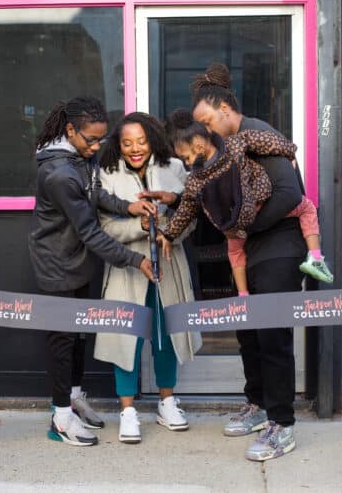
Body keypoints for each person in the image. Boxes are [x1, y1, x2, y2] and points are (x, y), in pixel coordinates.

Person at [187, 62, 313, 461]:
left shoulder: (258, 133)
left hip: (280, 246)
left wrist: (246, 227)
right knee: (249, 331)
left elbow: (290, 193)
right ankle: (258, 406)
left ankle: (283, 425)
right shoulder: (226, 145)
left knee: (273, 337)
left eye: (207, 120)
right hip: (254, 248)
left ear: (225, 109)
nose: (205, 130)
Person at [28, 97, 156, 447]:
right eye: (92, 140)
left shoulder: (80, 159)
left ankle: (73, 396)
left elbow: (96, 194)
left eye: (101, 139)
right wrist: (136, 260)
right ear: (71, 131)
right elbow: (91, 232)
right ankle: (60, 417)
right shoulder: (58, 174)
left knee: (79, 334)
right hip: (56, 266)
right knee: (62, 342)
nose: (97, 146)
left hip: (79, 262)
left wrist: (127, 206)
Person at [93, 112, 202, 444]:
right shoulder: (107, 174)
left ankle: (167, 402)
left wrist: (166, 232)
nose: (135, 149)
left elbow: (192, 217)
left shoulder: (174, 167)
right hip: (127, 267)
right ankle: (127, 410)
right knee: (125, 336)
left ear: (153, 139)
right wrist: (138, 226)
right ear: (118, 145)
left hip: (169, 265)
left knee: (166, 333)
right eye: (127, 143)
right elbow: (104, 227)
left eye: (141, 141)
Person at [157, 109, 332, 298]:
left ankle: (242, 294)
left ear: (198, 145)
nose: (188, 164)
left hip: (234, 223)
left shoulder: (195, 181)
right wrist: (288, 152)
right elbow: (265, 141)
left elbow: (186, 210)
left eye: (186, 157)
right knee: (307, 208)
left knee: (235, 253)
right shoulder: (235, 144)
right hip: (259, 204)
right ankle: (315, 257)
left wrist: (168, 234)